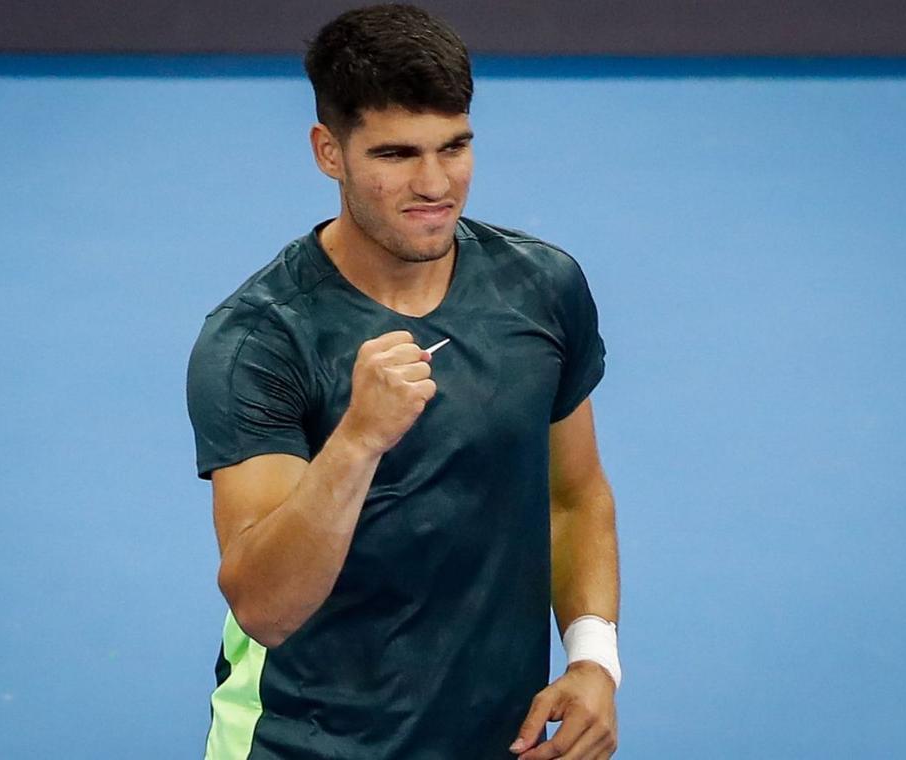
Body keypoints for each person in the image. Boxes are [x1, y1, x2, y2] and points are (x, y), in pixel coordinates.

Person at [186, 4, 620, 758]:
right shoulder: (260, 341)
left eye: (455, 147)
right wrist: (357, 440)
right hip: (305, 743)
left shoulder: (541, 288)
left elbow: (572, 494)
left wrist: (593, 658)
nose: (434, 184)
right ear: (330, 151)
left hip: (500, 740)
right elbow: (265, 606)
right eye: (395, 155)